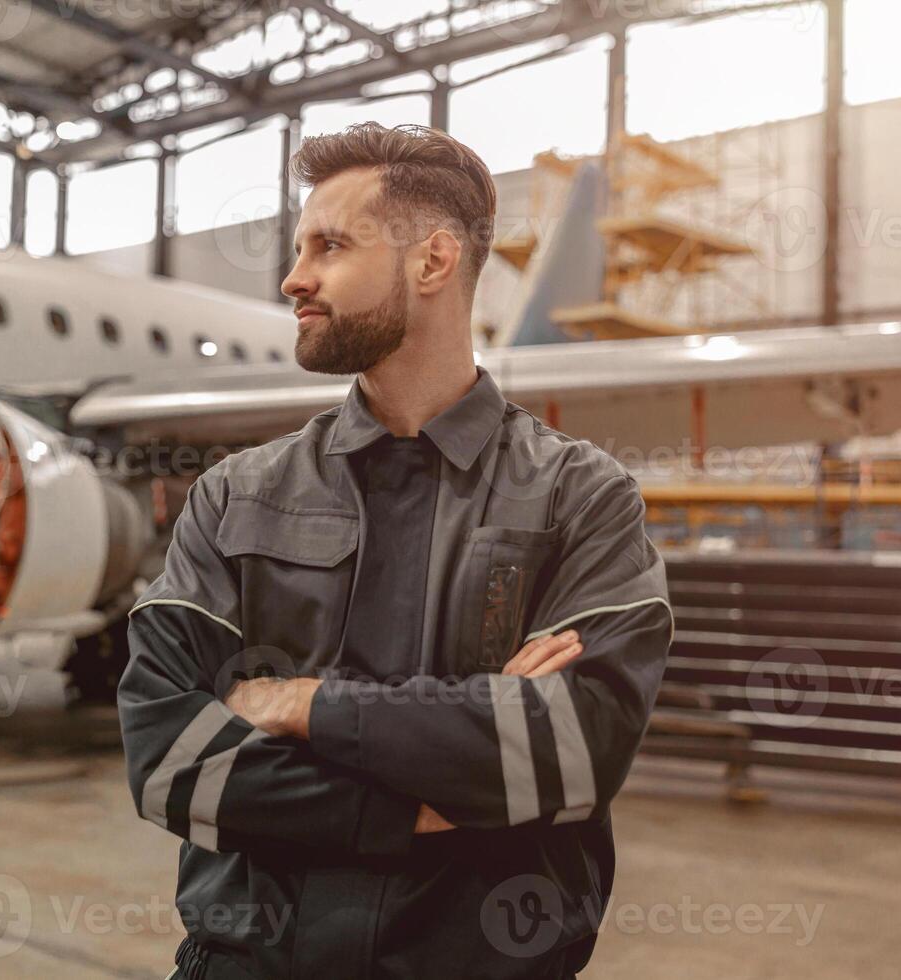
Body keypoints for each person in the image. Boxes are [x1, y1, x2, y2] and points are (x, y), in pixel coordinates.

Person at [118, 122, 673, 980]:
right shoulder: (234, 496)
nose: (292, 278)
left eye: (330, 246)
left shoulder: (580, 498)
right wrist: (432, 794)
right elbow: (166, 759)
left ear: (433, 262)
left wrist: (304, 707)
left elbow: (570, 752)